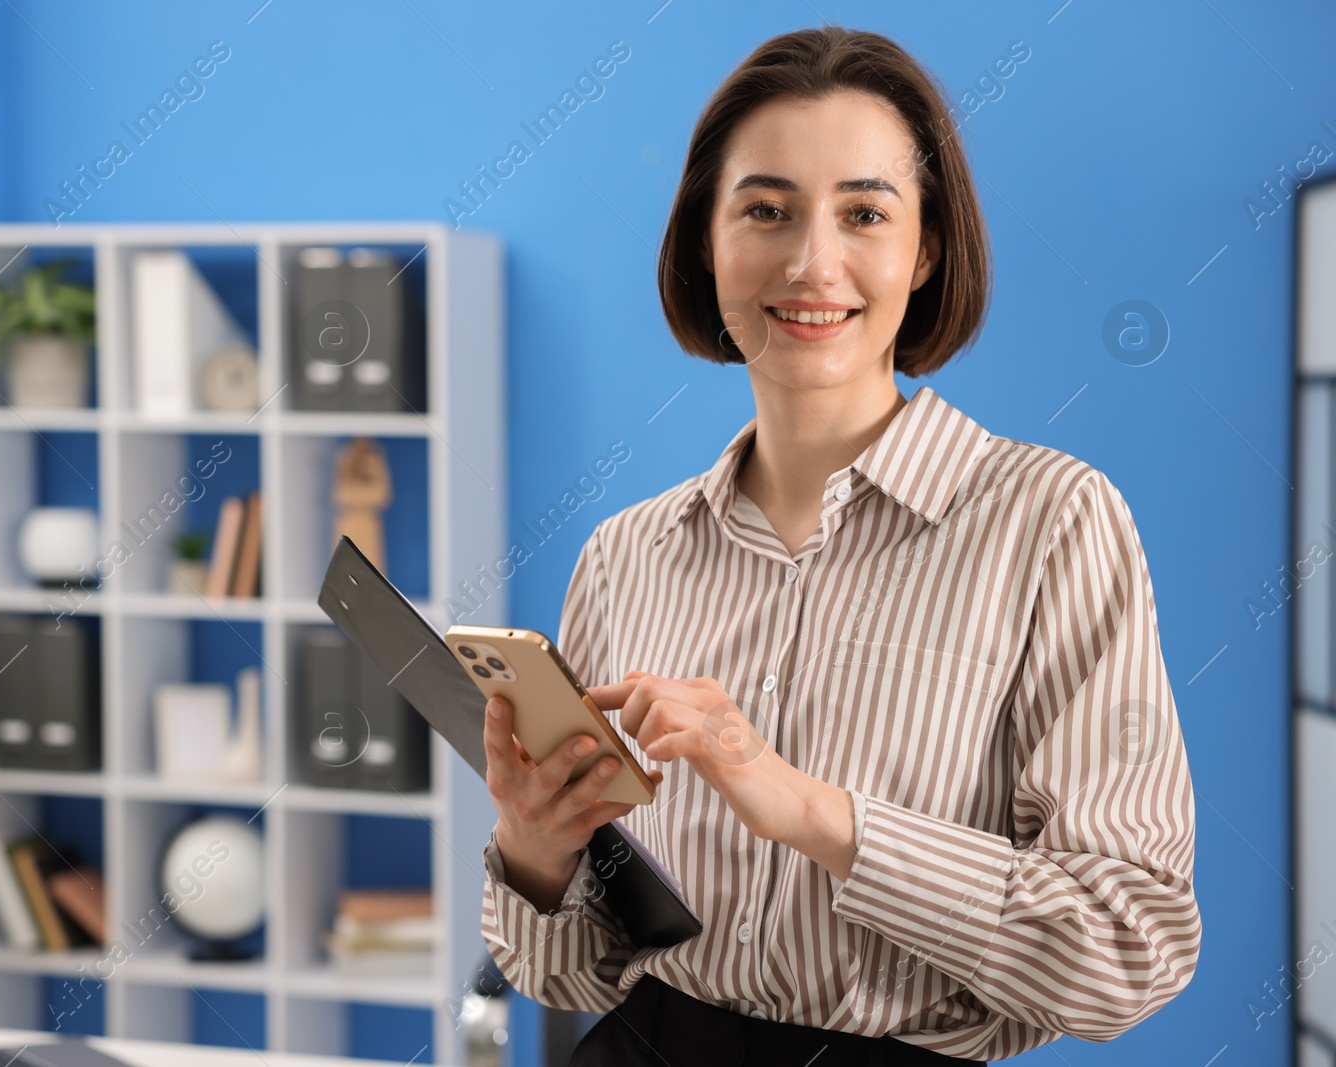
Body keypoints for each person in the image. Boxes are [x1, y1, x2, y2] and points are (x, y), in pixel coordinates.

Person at [478, 24, 1200, 1066]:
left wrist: (813, 811)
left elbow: (1128, 950)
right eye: (764, 210)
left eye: (864, 211)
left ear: (928, 248)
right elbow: (568, 972)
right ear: (703, 243)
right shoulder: (624, 552)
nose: (812, 261)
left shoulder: (1053, 522)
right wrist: (535, 854)